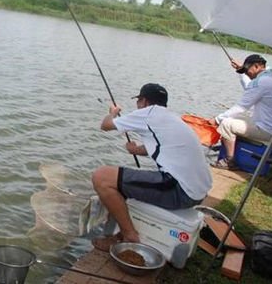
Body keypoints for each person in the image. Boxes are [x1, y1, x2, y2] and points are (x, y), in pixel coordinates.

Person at [91, 83, 212, 251]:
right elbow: (163, 146)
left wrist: (113, 113)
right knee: (122, 179)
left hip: (180, 191)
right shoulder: (170, 118)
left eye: (138, 101)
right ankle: (118, 230)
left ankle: (129, 236)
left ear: (145, 101)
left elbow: (105, 126)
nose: (137, 106)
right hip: (196, 193)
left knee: (102, 177)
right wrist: (136, 150)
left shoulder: (147, 114)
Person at [209, 54, 272, 169]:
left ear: (256, 66)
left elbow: (241, 107)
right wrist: (242, 70)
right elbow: (250, 87)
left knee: (226, 124)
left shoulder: (261, 82)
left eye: (247, 70)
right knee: (235, 117)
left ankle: (229, 161)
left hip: (267, 131)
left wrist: (217, 119)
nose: (247, 73)